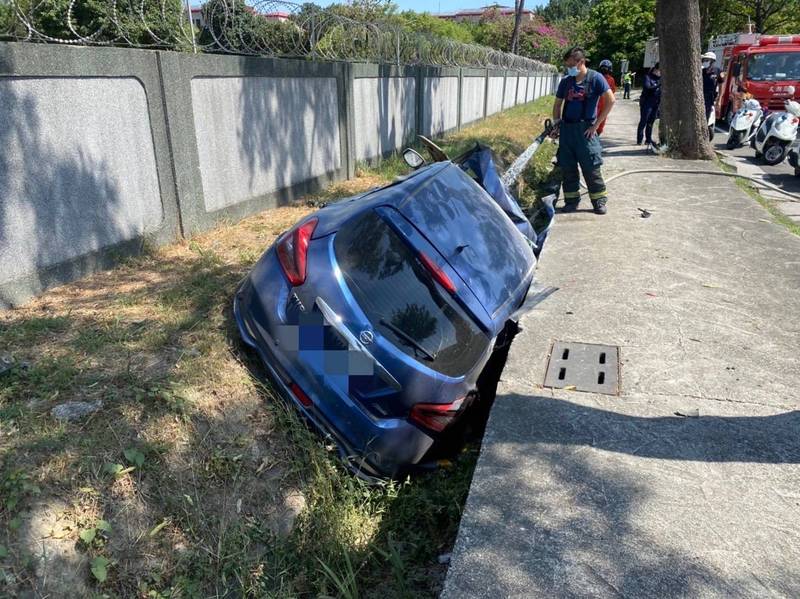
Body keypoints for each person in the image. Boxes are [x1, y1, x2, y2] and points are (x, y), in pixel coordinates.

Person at [550, 46, 615, 215]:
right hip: (567, 131)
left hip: (586, 130)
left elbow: (611, 100)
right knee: (568, 168)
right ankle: (571, 201)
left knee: (591, 167)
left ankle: (599, 201)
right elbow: (557, 104)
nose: (568, 69)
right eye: (567, 66)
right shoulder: (566, 81)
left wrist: (596, 125)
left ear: (581, 62)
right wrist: (557, 124)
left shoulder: (596, 78)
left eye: (571, 65)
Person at [637, 62, 661, 146]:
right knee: (644, 120)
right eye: (659, 70)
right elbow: (648, 88)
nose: (660, 72)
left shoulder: (660, 79)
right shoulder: (648, 77)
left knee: (651, 121)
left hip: (656, 103)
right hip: (647, 102)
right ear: (655, 70)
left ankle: (648, 139)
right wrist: (658, 85)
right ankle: (639, 139)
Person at [596, 59, 617, 135]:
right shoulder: (611, 79)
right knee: (602, 120)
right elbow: (613, 91)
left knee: (593, 120)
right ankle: (597, 134)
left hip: (597, 103)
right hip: (605, 104)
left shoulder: (596, 77)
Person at [701, 51, 722, 124]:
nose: (704, 62)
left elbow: (721, 85)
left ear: (712, 61)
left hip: (710, 98)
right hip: (700, 96)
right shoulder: (701, 71)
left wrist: (719, 99)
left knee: (706, 116)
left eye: (707, 60)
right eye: (704, 60)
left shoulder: (718, 71)